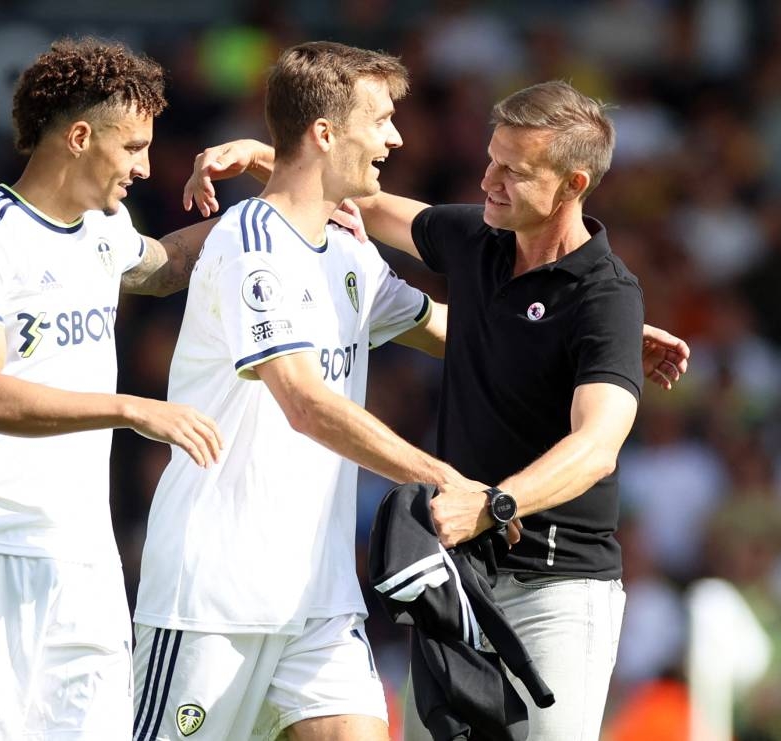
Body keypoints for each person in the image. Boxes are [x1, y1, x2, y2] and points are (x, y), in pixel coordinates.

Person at [182, 81, 690, 741]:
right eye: (490, 158)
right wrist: (264, 156)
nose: (489, 180)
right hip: (453, 579)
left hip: (557, 591)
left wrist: (494, 504)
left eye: (514, 170)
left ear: (573, 184)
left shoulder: (606, 295)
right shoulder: (477, 237)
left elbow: (597, 445)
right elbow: (360, 197)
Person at [131, 41, 487, 741]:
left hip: (319, 602)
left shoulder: (348, 249)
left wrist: (597, 335)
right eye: (381, 119)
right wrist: (441, 478)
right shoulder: (250, 241)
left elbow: (454, 331)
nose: (396, 137)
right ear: (325, 133)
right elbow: (304, 401)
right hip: (213, 601)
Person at [0, 37, 223, 740]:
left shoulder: (104, 229)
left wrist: (270, 217)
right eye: (132, 147)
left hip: (83, 562)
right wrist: (130, 408)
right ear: (79, 136)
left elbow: (164, 265)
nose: (143, 167)